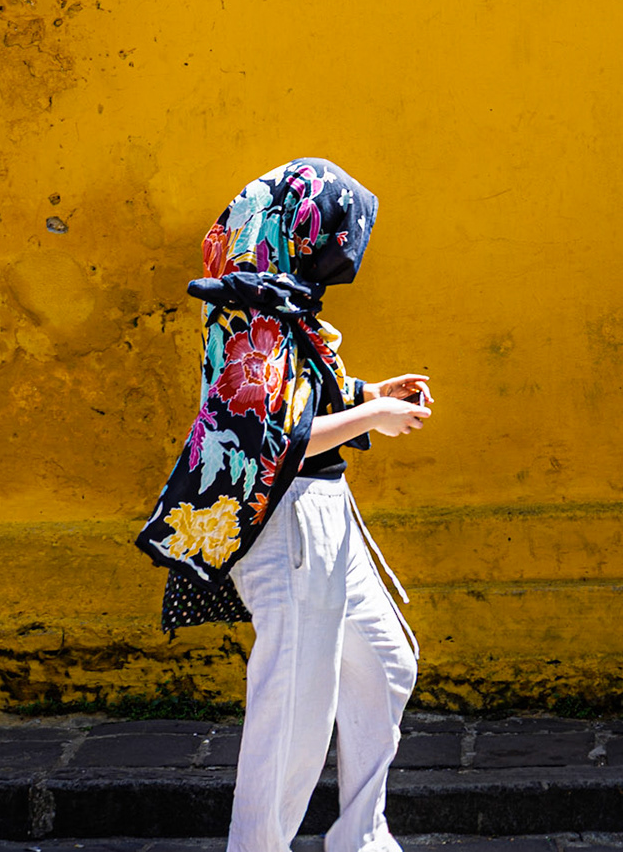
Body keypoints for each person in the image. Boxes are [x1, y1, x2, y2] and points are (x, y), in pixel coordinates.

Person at [137, 158, 433, 852]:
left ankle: (360, 839)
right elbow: (277, 440)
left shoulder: (277, 302)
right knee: (293, 716)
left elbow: (298, 396)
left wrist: (370, 393)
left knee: (386, 663)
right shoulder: (254, 313)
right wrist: (376, 417)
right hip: (291, 523)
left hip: (323, 516)